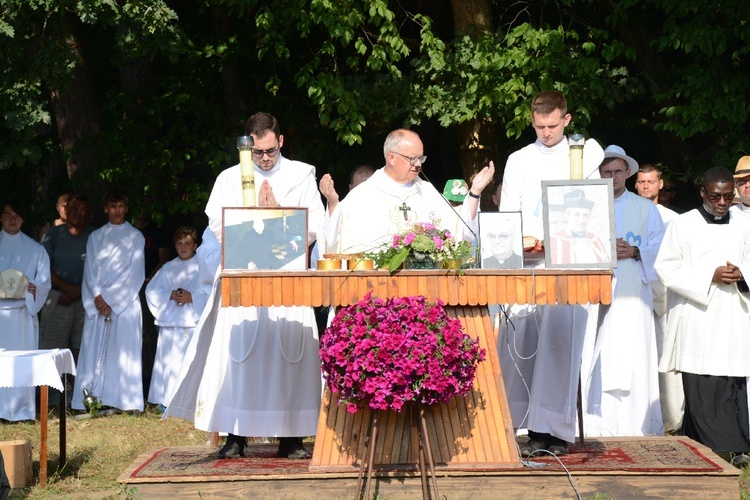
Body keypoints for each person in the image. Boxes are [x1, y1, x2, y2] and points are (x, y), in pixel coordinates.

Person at [166, 112, 326, 460]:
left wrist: (277, 212)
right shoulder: (229, 178)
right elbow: (218, 228)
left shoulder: (302, 174)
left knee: (290, 355)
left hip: (287, 278)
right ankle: (236, 433)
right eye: (257, 153)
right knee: (239, 355)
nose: (265, 158)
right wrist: (259, 218)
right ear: (246, 146)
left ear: (280, 142)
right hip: (245, 274)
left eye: (270, 151)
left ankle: (292, 437)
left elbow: (314, 227)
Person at [498, 90, 604, 456]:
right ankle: (513, 424)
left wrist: (556, 239)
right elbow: (510, 210)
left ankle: (553, 431)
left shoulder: (584, 153)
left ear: (567, 120)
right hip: (527, 262)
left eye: (553, 125)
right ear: (532, 121)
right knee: (520, 344)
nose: (546, 132)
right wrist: (518, 242)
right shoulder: (518, 159)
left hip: (567, 261)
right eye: (540, 126)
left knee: (559, 346)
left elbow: (590, 201)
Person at [654, 166, 750, 467]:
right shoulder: (684, 225)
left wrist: (742, 274)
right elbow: (667, 267)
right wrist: (710, 275)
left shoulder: (744, 223)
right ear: (702, 193)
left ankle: (738, 446)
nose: (722, 203)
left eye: (727, 197)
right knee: (703, 380)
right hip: (698, 313)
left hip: (733, 311)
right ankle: (706, 441)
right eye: (715, 197)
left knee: (733, 379)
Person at [580, 145, 665, 437]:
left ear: (628, 173)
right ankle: (594, 421)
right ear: (599, 174)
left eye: (618, 171)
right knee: (596, 348)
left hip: (632, 294)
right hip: (596, 293)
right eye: (607, 172)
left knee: (634, 352)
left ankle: (636, 423)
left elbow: (662, 249)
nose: (613, 176)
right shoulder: (586, 206)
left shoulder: (646, 208)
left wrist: (637, 250)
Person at [319, 129, 492, 255]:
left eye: (421, 158)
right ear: (391, 158)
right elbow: (334, 241)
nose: (418, 164)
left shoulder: (427, 192)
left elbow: (459, 227)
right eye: (412, 158)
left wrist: (475, 192)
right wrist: (333, 204)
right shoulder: (363, 195)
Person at [71, 188, 146, 413]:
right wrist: (97, 298)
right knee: (94, 351)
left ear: (126, 208)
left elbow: (135, 273)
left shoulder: (135, 237)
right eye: (113, 206)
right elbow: (90, 270)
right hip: (99, 304)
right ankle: (92, 398)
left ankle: (125, 400)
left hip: (124, 304)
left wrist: (111, 300)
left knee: (123, 350)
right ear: (106, 208)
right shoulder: (96, 237)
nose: (117, 211)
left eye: (121, 206)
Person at [636, 164, 683, 433]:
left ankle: (671, 418)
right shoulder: (629, 214)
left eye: (650, 182)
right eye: (641, 182)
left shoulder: (673, 219)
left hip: (663, 295)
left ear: (661, 184)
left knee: (666, 358)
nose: (646, 186)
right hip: (637, 293)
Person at [0, 200, 51, 421]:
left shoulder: (35, 249)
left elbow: (44, 282)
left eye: (17, 215)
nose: (13, 220)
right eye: (8, 215)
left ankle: (21, 410)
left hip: (21, 313)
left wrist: (34, 289)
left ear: (23, 219)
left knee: (20, 362)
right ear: (1, 217)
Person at [145, 226, 206, 410]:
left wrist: (192, 297)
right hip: (171, 324)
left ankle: (188, 401)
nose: (184, 247)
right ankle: (167, 400)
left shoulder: (203, 267)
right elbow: (152, 290)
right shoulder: (168, 267)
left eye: (188, 243)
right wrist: (170, 294)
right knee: (168, 363)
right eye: (179, 244)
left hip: (191, 323)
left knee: (188, 362)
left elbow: (211, 292)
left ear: (195, 245)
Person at [39, 195, 94, 363]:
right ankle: (52, 390)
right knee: (52, 351)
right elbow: (43, 268)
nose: (77, 213)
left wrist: (78, 291)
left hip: (86, 300)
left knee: (83, 349)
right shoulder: (52, 234)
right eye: (73, 209)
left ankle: (78, 388)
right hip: (57, 299)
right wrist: (68, 289)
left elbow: (102, 269)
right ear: (65, 212)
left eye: (82, 209)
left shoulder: (95, 236)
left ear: (89, 213)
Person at [133, 201, 173, 399]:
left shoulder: (157, 232)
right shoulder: (129, 231)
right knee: (134, 333)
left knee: (149, 333)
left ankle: (149, 379)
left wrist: (149, 280)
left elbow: (163, 260)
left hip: (150, 287)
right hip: (130, 288)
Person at [548, 189, 611, 265]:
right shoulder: (554, 240)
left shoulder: (595, 239)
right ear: (568, 215)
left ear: (590, 216)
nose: (581, 220)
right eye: (577, 215)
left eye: (585, 215)